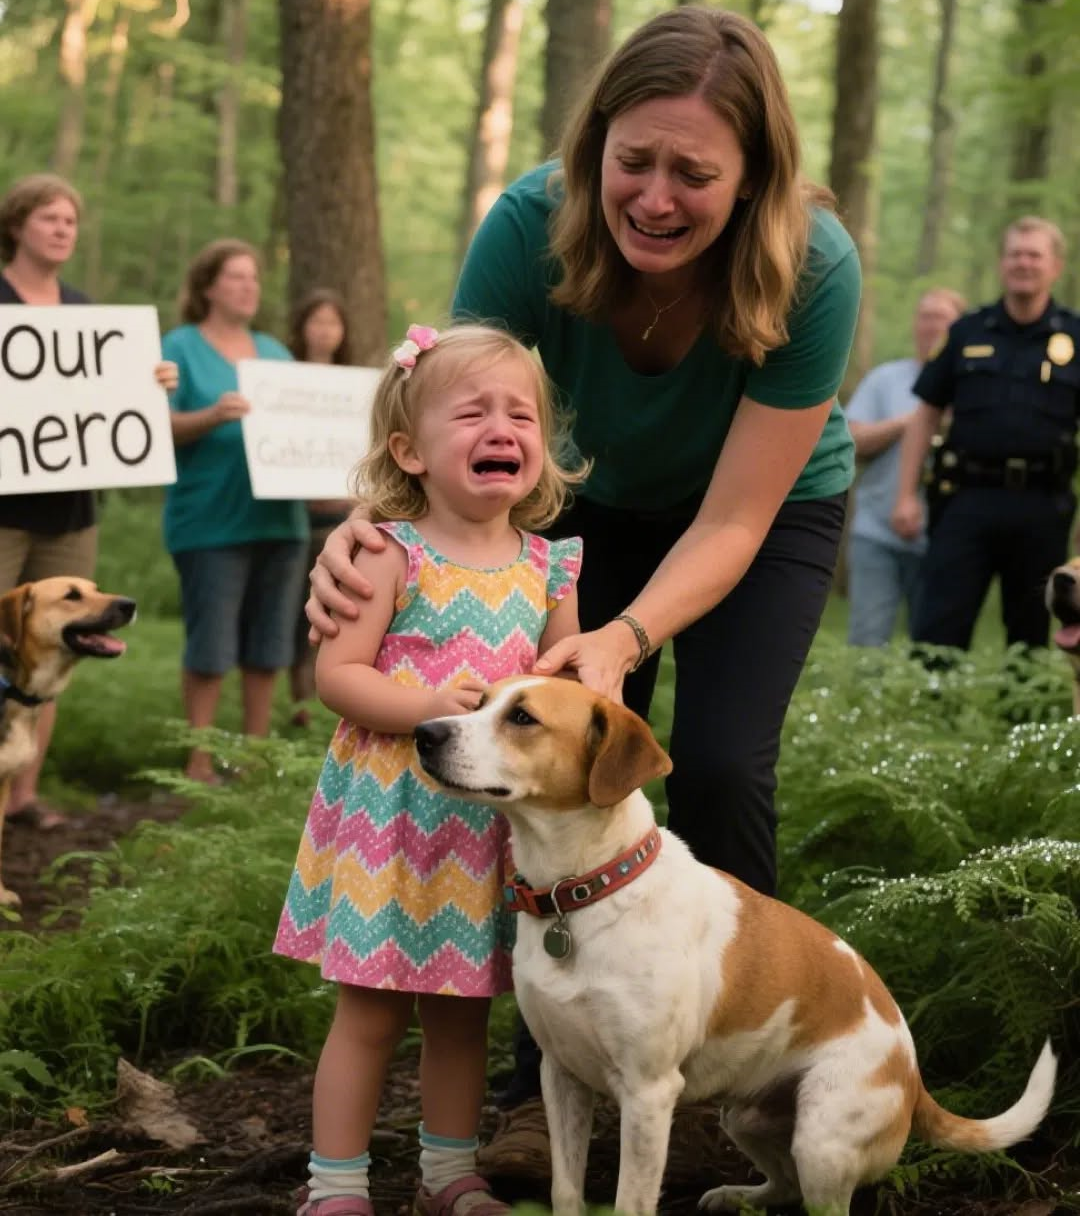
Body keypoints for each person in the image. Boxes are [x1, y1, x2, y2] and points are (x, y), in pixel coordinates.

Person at [306, 6, 861, 1175]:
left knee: (712, 756)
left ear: (755, 179)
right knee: (538, 759)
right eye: (633, 162)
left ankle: (719, 1076)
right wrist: (366, 537)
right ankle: (535, 1083)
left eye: (695, 174)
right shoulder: (525, 229)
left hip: (754, 507)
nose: (656, 198)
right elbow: (445, 418)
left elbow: (735, 517)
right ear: (591, 144)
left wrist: (625, 636)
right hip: (574, 505)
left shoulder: (815, 269)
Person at [273, 323, 584, 1216]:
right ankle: (334, 1187)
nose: (503, 429)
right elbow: (338, 677)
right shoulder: (386, 551)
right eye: (474, 412)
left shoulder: (551, 566)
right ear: (409, 450)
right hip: (394, 818)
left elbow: (560, 685)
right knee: (370, 1015)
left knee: (463, 1016)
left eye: (520, 414)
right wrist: (433, 705)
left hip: (488, 833)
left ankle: (449, 1177)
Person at [0, 172, 176, 827]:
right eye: (48, 217)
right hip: (3, 509)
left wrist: (148, 381)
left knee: (56, 648)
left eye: (70, 220)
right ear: (16, 225)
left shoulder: (87, 314)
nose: (62, 229)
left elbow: (108, 403)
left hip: (69, 511)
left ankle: (22, 794)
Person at [892, 217, 1080, 652]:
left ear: (1055, 266)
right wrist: (905, 494)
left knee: (1032, 633)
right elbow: (925, 415)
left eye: (1034, 254)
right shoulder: (966, 332)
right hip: (965, 500)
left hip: (1044, 506)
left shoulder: (1075, 336)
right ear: (1001, 263)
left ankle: (1020, 720)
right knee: (938, 627)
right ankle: (930, 716)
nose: (1023, 263)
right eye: (1015, 253)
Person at [162, 239, 309, 783]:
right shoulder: (179, 346)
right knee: (211, 644)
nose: (249, 286)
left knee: (269, 643)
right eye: (235, 277)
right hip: (209, 521)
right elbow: (154, 425)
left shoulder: (274, 351)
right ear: (207, 287)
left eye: (254, 277)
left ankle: (254, 755)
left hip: (279, 520)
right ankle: (199, 759)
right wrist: (211, 415)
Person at [845, 288, 966, 646]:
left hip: (944, 539)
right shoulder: (885, 379)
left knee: (932, 644)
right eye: (925, 316)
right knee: (868, 638)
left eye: (942, 318)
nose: (931, 326)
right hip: (876, 532)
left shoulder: (972, 385)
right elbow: (852, 440)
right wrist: (917, 420)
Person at [285, 290, 356, 729]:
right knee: (295, 614)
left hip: (342, 518)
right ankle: (299, 705)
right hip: (293, 517)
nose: (325, 331)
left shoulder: (355, 387)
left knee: (331, 613)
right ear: (303, 328)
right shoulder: (280, 381)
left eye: (333, 322)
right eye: (317, 321)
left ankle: (326, 703)